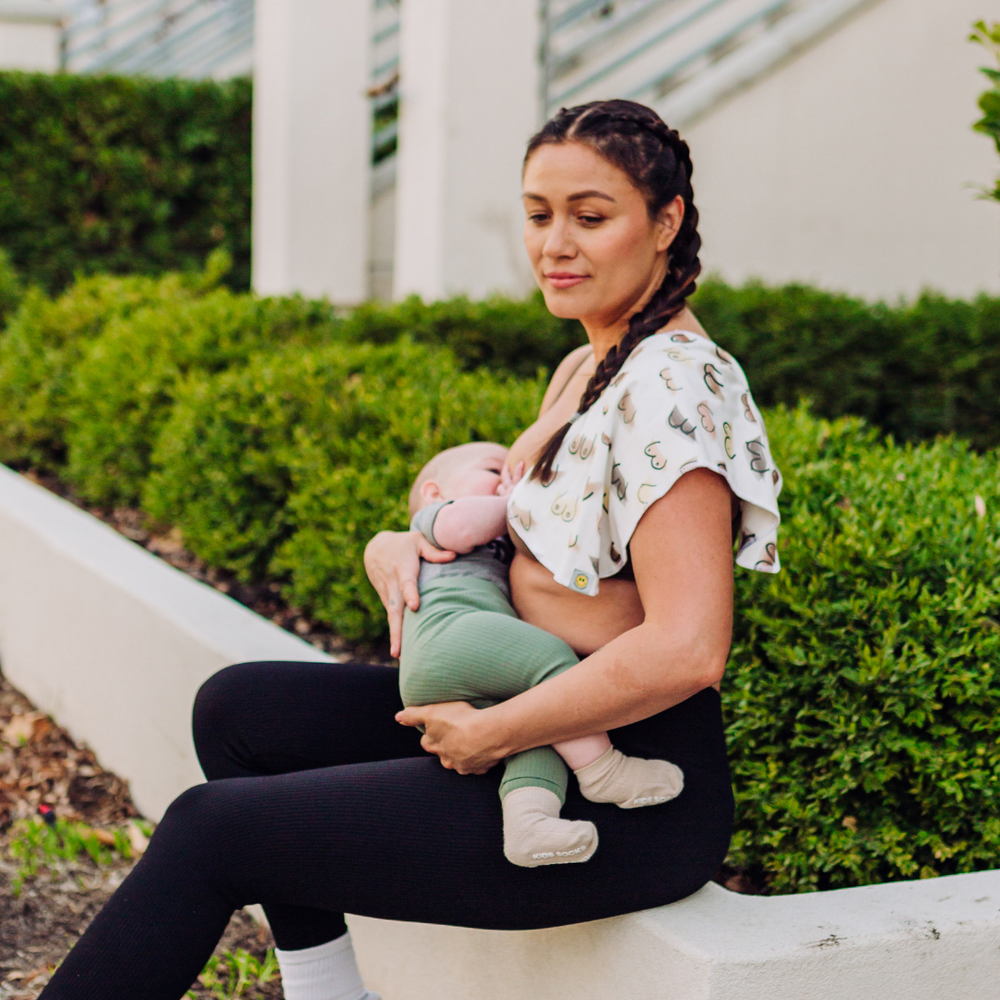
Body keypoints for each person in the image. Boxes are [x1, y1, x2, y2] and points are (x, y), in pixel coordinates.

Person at [40, 99, 781, 1000]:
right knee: (239, 711)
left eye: (591, 217)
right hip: (525, 715)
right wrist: (402, 538)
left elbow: (690, 647)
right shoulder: (591, 362)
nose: (555, 244)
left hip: (623, 789)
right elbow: (525, 526)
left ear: (666, 222)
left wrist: (496, 733)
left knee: (211, 831)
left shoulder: (674, 384)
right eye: (538, 215)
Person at [399, 441, 684, 869]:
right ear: (435, 493)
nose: (508, 476)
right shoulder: (434, 521)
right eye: (494, 468)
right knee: (552, 661)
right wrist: (519, 498)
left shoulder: (489, 534)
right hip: (448, 634)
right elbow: (460, 529)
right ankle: (604, 771)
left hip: (462, 658)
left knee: (540, 725)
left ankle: (530, 825)